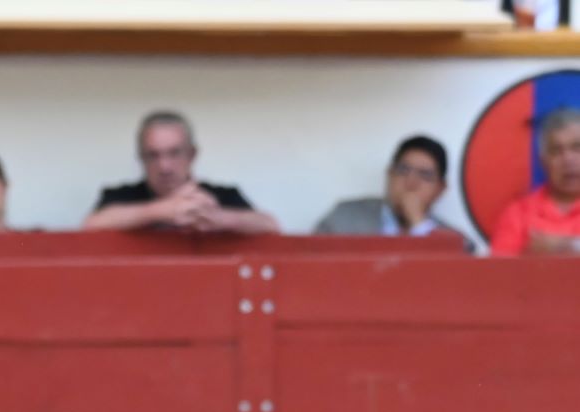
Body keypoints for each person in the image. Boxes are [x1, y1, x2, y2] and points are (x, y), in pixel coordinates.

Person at [82, 111, 279, 235]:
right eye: (153, 155)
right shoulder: (120, 196)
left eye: (174, 153)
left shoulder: (223, 196)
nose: (164, 166)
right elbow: (90, 225)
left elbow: (270, 225)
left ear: (192, 154)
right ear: (141, 158)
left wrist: (220, 218)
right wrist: (162, 210)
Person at [313, 135, 470, 247]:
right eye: (403, 170)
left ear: (440, 189)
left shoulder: (457, 243)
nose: (411, 183)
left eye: (425, 175)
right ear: (389, 175)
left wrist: (419, 225)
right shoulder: (344, 218)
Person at [490, 107, 580, 256]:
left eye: (577, 148)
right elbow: (498, 267)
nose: (568, 159)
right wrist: (530, 255)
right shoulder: (518, 213)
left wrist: (567, 246)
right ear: (543, 161)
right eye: (556, 151)